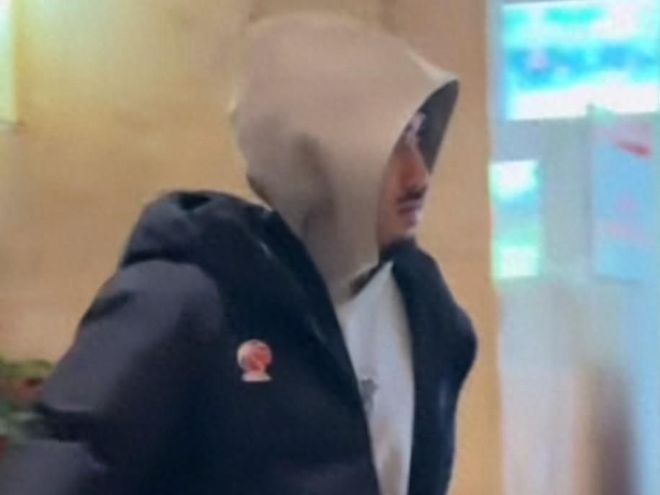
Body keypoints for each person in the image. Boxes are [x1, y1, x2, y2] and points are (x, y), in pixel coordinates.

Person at [0, 13, 477, 495]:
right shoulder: (185, 301)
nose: (419, 176)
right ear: (315, 154)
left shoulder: (427, 311)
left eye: (418, 136)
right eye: (392, 144)